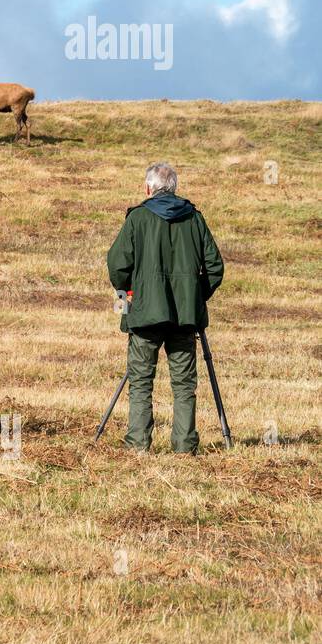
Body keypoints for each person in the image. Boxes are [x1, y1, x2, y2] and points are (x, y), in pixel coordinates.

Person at [107, 161, 224, 454]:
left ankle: (137, 446)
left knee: (141, 381)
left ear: (149, 188)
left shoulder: (138, 218)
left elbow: (117, 264)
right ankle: (184, 447)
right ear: (174, 188)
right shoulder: (194, 218)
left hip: (145, 314)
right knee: (184, 384)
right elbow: (215, 267)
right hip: (184, 317)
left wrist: (127, 296)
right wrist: (194, 297)